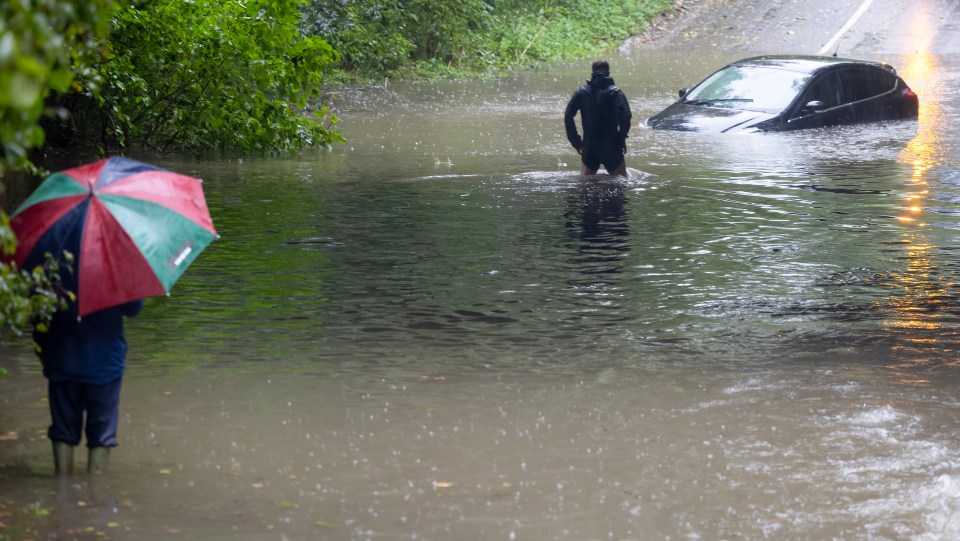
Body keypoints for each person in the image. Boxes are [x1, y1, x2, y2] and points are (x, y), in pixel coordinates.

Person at [34, 299, 143, 474]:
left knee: (63, 430)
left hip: (63, 359)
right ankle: (96, 491)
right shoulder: (114, 273)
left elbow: (38, 317)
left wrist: (45, 353)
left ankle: (62, 487)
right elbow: (133, 309)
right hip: (105, 362)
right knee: (102, 433)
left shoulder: (53, 272)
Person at [564, 59, 633, 177]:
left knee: (586, 186)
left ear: (592, 73)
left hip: (590, 146)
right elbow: (626, 116)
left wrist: (576, 142)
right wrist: (622, 137)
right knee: (620, 185)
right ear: (608, 73)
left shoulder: (581, 92)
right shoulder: (616, 93)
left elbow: (568, 116)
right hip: (612, 146)